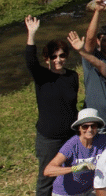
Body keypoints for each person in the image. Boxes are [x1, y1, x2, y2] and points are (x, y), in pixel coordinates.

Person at [26, 15, 79, 196]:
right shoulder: (42, 76)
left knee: (70, 173)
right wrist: (31, 34)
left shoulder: (72, 76)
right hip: (49, 139)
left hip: (70, 135)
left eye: (62, 55)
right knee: (46, 178)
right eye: (53, 56)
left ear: (67, 56)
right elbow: (30, 61)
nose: (58, 59)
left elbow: (72, 106)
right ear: (46, 58)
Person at [45, 109, 106, 196]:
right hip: (66, 193)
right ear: (79, 128)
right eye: (85, 126)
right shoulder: (72, 144)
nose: (90, 129)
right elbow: (48, 170)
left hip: (89, 190)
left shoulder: (104, 140)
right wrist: (75, 168)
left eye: (93, 126)